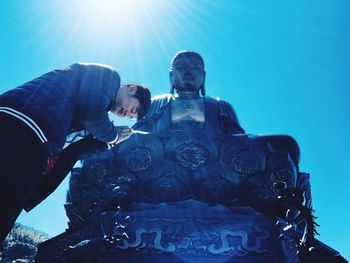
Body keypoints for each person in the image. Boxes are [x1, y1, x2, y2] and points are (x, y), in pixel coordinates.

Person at [0, 62, 151, 247]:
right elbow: (91, 114)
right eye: (132, 109)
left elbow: (74, 150)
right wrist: (113, 135)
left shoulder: (89, 113)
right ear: (131, 88)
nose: (126, 114)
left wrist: (104, 142)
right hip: (23, 125)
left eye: (129, 117)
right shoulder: (108, 76)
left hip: (36, 144)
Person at [133, 50, 245, 135]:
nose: (188, 71)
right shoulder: (154, 105)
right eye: (181, 67)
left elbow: (240, 144)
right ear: (171, 76)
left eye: (195, 68)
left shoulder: (221, 107)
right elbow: (135, 138)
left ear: (203, 76)